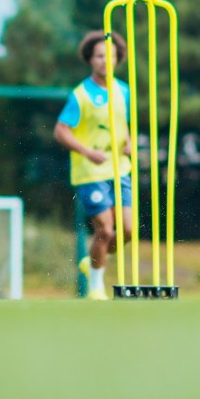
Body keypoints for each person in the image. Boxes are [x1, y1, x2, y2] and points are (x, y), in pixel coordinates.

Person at [54, 30, 134, 301]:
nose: (105, 61)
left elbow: (124, 125)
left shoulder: (124, 90)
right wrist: (87, 151)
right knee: (105, 228)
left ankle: (93, 260)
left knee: (127, 231)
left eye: (110, 56)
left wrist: (129, 143)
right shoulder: (81, 94)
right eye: (100, 56)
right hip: (90, 171)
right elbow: (61, 131)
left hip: (120, 168)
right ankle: (96, 285)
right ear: (90, 59)